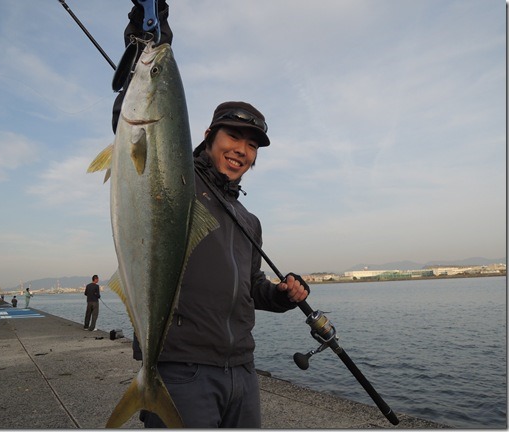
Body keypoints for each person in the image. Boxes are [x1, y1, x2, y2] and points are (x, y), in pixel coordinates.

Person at [115, 4, 309, 429]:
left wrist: (279, 294)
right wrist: (149, 37)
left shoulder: (248, 219)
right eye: (233, 136)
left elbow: (249, 288)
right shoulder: (178, 186)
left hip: (241, 371)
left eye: (252, 144)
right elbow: (142, 138)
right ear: (208, 136)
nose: (242, 149)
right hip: (181, 371)